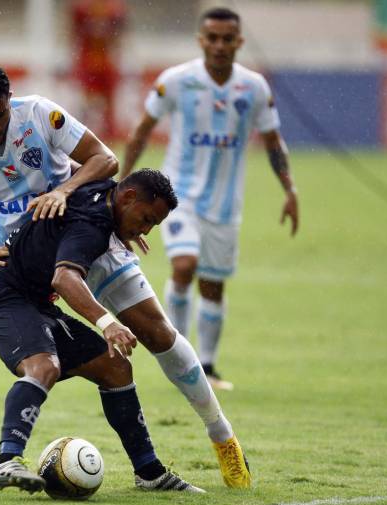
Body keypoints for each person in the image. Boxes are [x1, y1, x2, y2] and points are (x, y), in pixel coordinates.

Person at [0, 63, 250, 489]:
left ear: (9, 102)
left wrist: (65, 192)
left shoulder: (39, 114)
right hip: (21, 257)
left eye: (0, 114)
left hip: (87, 233)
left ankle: (221, 435)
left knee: (157, 333)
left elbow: (105, 158)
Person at [0, 170, 207, 493]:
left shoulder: (99, 186)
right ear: (127, 198)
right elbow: (64, 279)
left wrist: (127, 227)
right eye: (146, 218)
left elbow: (93, 161)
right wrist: (108, 323)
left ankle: (149, 473)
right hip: (4, 300)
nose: (146, 230)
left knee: (116, 367)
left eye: (153, 224)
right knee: (45, 366)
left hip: (36, 304)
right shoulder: (93, 226)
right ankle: (6, 460)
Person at [121, 7, 300, 391]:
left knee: (213, 288)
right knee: (184, 266)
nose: (219, 45)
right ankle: (177, 355)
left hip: (225, 205)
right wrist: (120, 185)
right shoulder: (177, 81)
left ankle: (207, 365)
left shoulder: (254, 88)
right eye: (212, 38)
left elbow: (273, 142)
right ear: (201, 40)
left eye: (227, 39)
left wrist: (290, 189)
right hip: (178, 197)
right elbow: (140, 131)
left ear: (239, 42)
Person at [69, 0, 127, 140]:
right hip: (87, 62)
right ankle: (80, 136)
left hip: (107, 62)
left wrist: (120, 54)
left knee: (109, 105)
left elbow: (120, 35)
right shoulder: (81, 8)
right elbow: (73, 33)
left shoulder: (115, 8)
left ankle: (109, 138)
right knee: (86, 102)